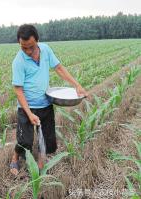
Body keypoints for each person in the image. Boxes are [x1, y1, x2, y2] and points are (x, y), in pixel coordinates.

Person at [10, 24, 88, 175]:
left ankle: (40, 162)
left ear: (37, 40)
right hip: (26, 106)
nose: (27, 51)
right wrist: (29, 113)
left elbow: (59, 68)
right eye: (23, 47)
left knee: (47, 139)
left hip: (45, 103)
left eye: (31, 47)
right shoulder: (18, 61)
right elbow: (18, 90)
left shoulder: (46, 50)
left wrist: (77, 85)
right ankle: (15, 157)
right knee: (25, 140)